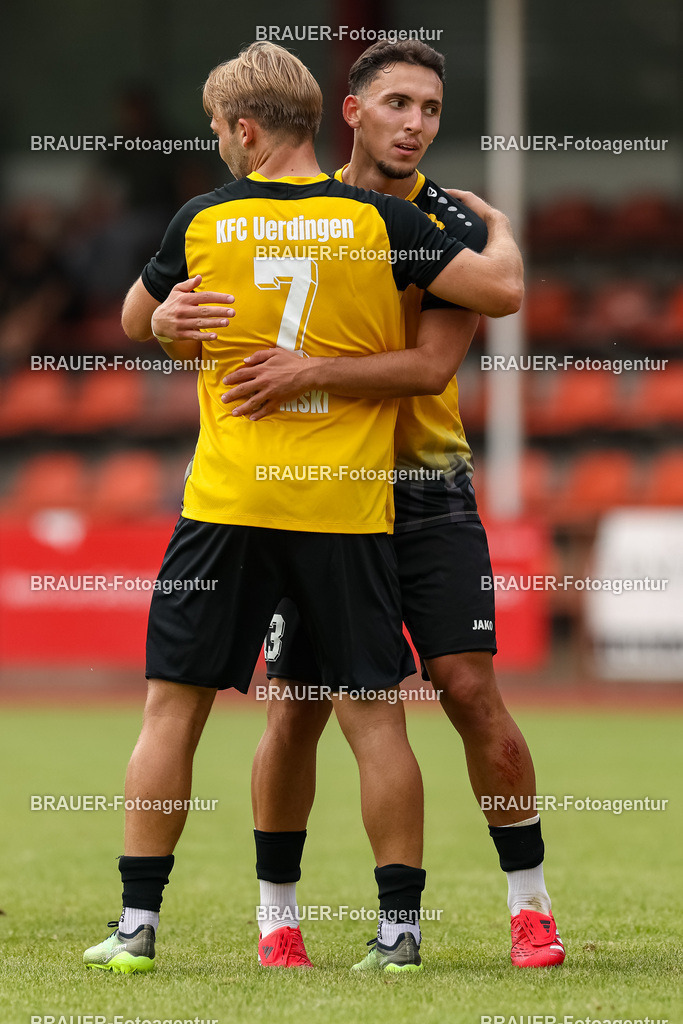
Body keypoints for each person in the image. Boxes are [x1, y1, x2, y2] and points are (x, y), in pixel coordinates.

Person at [82, 41, 523, 975]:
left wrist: (160, 322)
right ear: (323, 119)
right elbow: (498, 293)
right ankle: (398, 933)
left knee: (172, 711)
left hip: (227, 502)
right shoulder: (378, 220)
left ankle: (136, 924)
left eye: (217, 129)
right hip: (344, 509)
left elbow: (131, 319)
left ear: (243, 130)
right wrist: (498, 228)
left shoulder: (202, 219)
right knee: (375, 718)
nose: (218, 142)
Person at [219, 40, 565, 971]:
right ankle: (277, 918)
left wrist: (311, 371)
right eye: (398, 103)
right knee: (295, 705)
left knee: (468, 691)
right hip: (319, 491)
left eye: (431, 109)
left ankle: (529, 906)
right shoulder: (298, 206)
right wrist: (164, 315)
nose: (415, 124)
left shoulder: (443, 222)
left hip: (425, 491)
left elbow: (430, 366)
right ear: (352, 111)